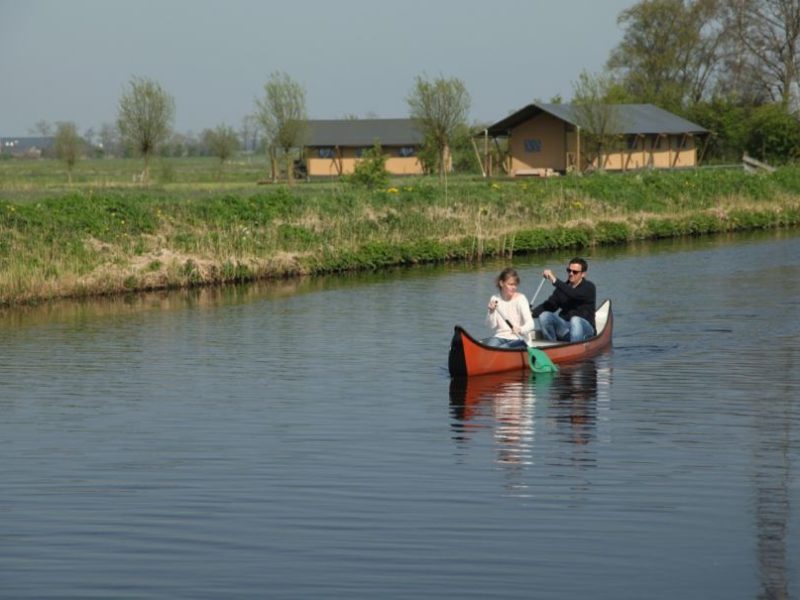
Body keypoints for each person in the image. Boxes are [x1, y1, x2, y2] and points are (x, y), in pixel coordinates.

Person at [530, 257, 596, 342]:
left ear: (583, 274)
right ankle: (551, 345)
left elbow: (574, 294)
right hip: (566, 329)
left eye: (575, 272)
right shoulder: (562, 289)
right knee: (544, 316)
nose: (571, 274)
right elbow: (549, 306)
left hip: (586, 331)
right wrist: (530, 314)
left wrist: (554, 280)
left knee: (575, 320)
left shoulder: (589, 287)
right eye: (569, 270)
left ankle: (574, 348)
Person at [484, 267, 534, 348]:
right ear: (501, 283)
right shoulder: (495, 299)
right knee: (489, 347)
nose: (514, 287)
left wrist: (520, 329)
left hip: (519, 338)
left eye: (515, 284)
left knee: (501, 349)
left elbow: (531, 324)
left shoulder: (521, 299)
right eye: (510, 284)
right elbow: (491, 326)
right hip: (500, 337)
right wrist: (491, 312)